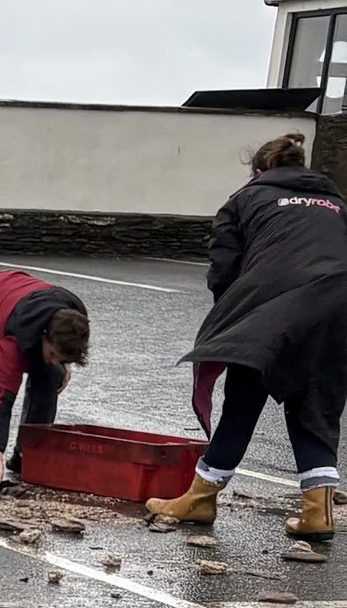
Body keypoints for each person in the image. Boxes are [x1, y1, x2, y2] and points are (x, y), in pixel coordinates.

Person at [146, 134, 347, 541]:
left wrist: (232, 323)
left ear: (258, 172)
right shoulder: (338, 204)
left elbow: (223, 269)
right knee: (316, 403)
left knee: (243, 398)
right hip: (339, 305)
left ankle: (201, 498)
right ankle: (318, 510)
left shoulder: (244, 200)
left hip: (272, 302)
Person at [0, 268, 90, 486]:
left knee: (51, 373)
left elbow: (64, 348)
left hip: (8, 294)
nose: (52, 359)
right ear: (43, 335)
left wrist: (63, 364)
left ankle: (27, 455)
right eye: (52, 354)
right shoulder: (13, 341)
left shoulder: (74, 318)